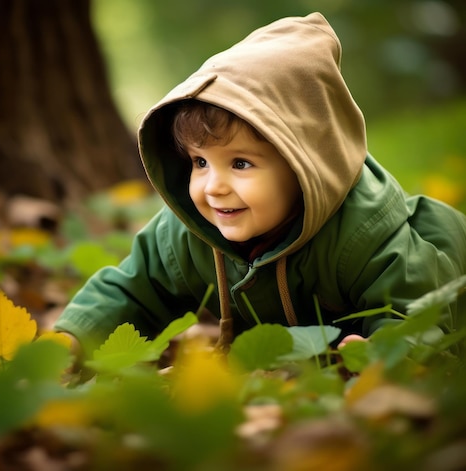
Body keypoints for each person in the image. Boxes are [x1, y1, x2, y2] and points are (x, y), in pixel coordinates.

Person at [54, 12, 466, 359]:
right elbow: (134, 290)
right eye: (199, 162)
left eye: (240, 163)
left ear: (305, 164)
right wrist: (70, 341)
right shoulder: (189, 235)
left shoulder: (366, 233)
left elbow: (417, 311)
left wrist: (383, 351)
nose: (213, 187)